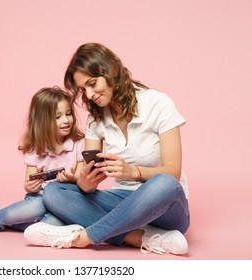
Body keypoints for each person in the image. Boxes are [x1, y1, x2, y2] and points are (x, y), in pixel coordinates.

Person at [24, 43, 190, 255]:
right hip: (121, 201)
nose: (90, 94)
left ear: (111, 71)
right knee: (55, 191)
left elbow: (173, 172)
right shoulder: (96, 118)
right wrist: (85, 182)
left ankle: (82, 237)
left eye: (93, 83)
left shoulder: (159, 104)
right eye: (84, 89)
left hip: (165, 206)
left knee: (164, 183)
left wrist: (132, 171)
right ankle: (141, 238)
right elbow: (87, 178)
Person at [0, 87, 85, 236]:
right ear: (43, 121)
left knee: (53, 225)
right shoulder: (35, 148)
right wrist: (31, 186)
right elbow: (29, 184)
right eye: (58, 117)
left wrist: (72, 178)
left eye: (68, 114)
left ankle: (10, 221)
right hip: (40, 199)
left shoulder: (79, 143)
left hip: (66, 201)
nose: (66, 120)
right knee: (36, 207)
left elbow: (82, 178)